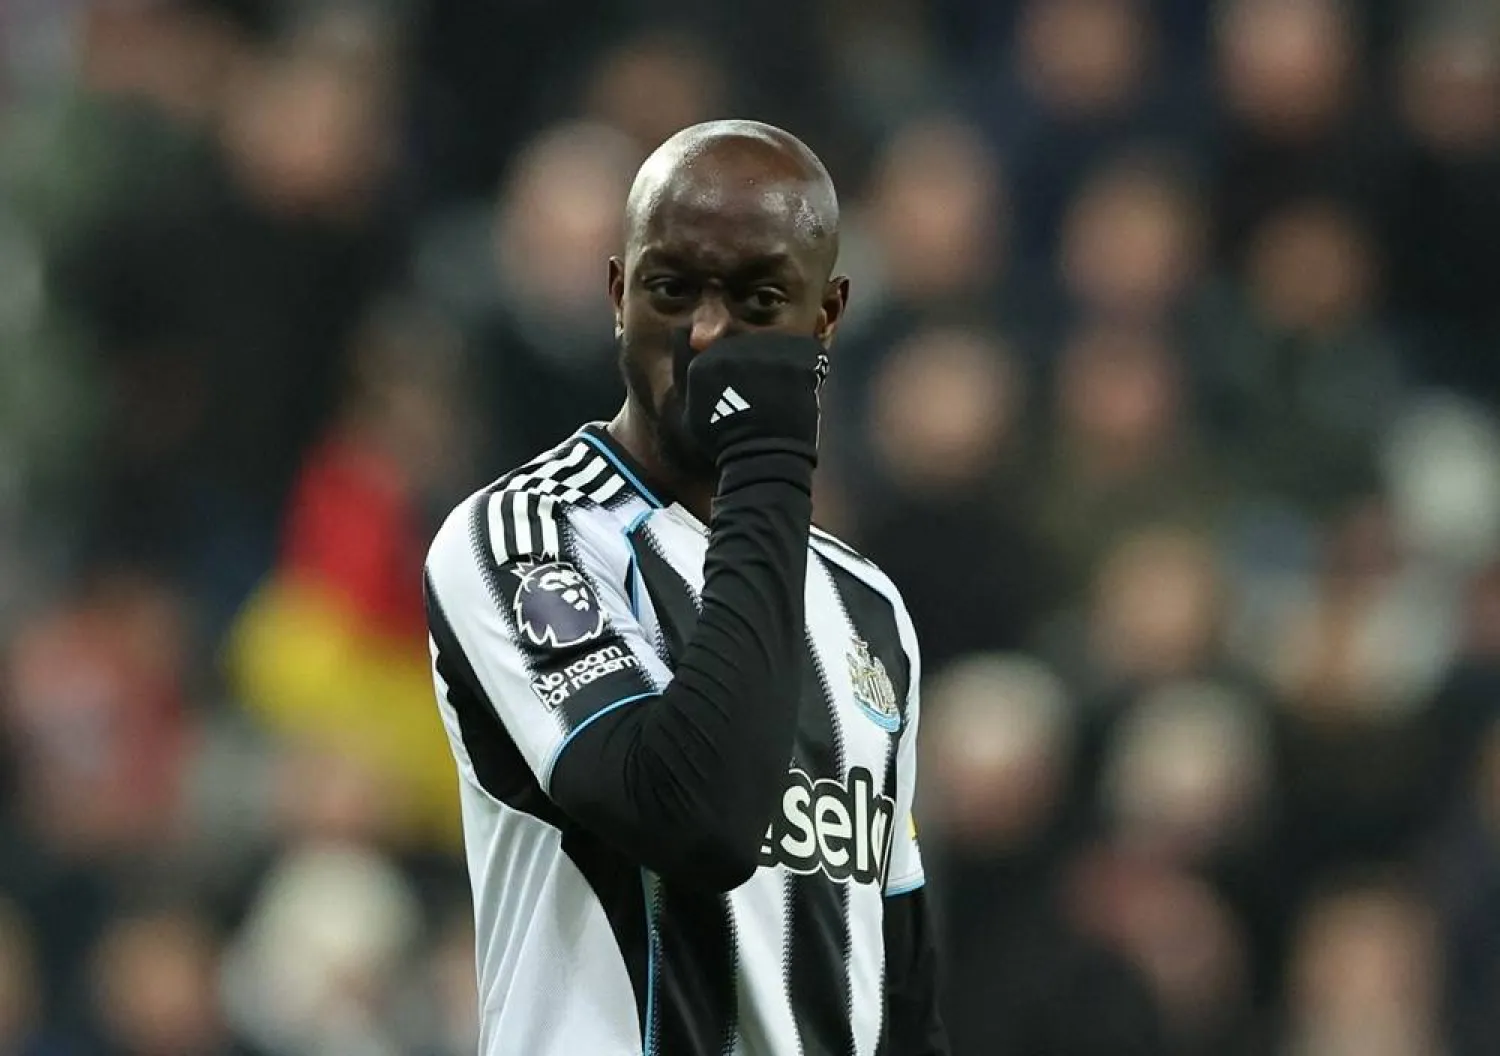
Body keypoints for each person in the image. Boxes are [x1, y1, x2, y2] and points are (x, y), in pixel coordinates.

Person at [423, 120, 948, 1055]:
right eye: (672, 289)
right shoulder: (526, 537)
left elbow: (898, 988)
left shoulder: (870, 609)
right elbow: (695, 819)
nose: (707, 333)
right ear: (618, 293)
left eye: (757, 299)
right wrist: (769, 454)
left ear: (825, 316)